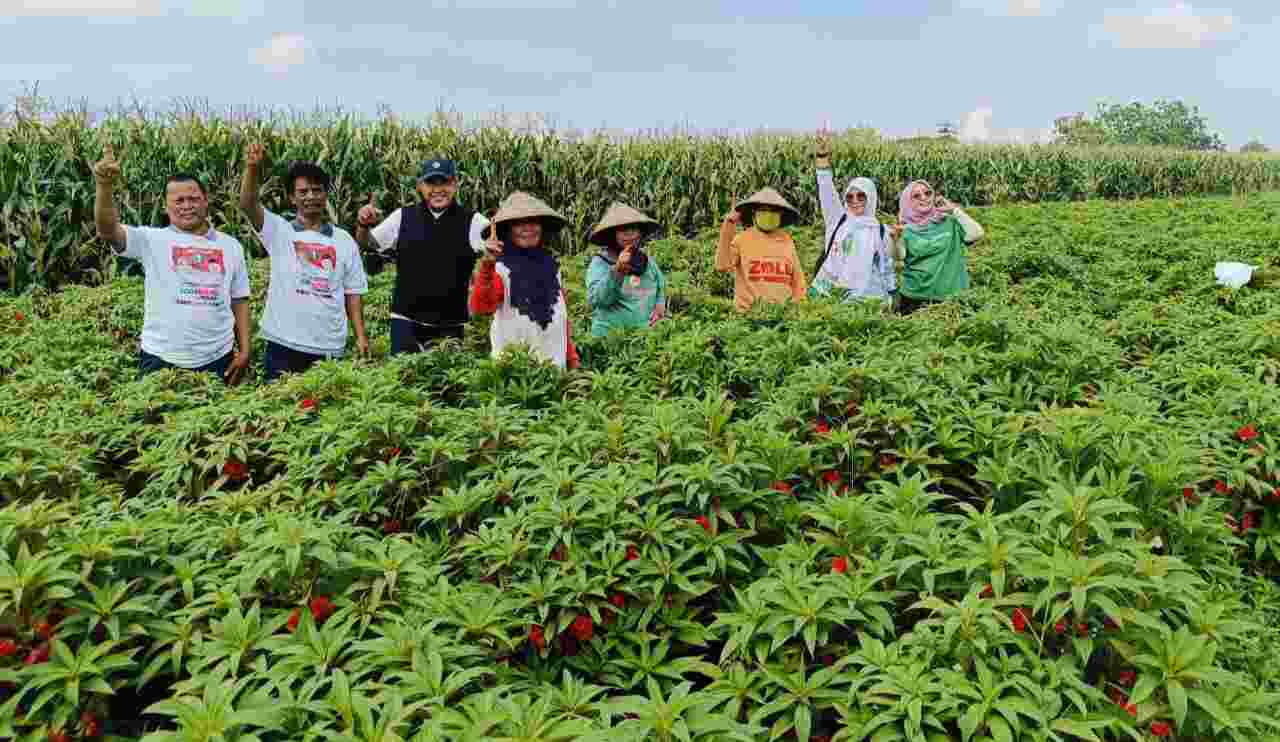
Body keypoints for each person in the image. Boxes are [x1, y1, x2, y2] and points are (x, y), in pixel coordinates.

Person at [93, 143, 252, 383]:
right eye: (178, 201)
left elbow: (239, 299)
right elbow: (108, 230)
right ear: (166, 206)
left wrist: (245, 350)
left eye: (193, 199)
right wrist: (104, 186)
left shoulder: (230, 246)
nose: (187, 206)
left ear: (206, 201)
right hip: (161, 358)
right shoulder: (151, 240)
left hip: (218, 358)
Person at [239, 143, 370, 381]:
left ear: (326, 194)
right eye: (303, 192)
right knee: (280, 413)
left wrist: (360, 336)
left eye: (317, 190)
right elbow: (248, 205)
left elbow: (353, 292)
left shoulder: (343, 240)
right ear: (291, 197)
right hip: (283, 345)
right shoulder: (279, 231)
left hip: (329, 347)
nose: (311, 197)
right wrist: (252, 168)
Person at [354, 159, 490, 354]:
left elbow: (496, 245)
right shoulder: (403, 216)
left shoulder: (473, 221)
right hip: (405, 320)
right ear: (420, 186)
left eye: (444, 182)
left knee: (446, 384)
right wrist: (363, 224)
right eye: (431, 183)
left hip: (451, 324)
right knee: (404, 380)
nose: (438, 189)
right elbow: (367, 243)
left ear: (455, 185)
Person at [469, 192, 579, 369]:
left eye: (533, 222)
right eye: (519, 223)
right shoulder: (499, 268)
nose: (528, 228)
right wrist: (488, 264)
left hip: (554, 366)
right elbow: (481, 308)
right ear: (507, 230)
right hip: (515, 370)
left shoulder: (552, 267)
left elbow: (561, 316)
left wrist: (572, 358)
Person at [810, 131, 901, 301]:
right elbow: (826, 189)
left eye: (861, 196)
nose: (855, 201)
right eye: (850, 196)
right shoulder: (838, 220)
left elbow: (888, 265)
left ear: (871, 198)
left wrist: (892, 295)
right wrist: (822, 157)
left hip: (872, 301)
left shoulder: (881, 230)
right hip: (837, 299)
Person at [893, 180, 985, 314]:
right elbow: (899, 257)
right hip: (915, 298)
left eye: (927, 193)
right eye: (916, 196)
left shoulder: (949, 221)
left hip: (952, 297)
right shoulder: (904, 230)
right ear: (907, 202)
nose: (923, 198)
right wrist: (897, 240)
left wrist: (954, 210)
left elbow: (977, 234)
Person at [716, 188, 807, 312]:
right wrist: (729, 224)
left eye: (774, 210)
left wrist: (799, 309)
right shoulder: (742, 239)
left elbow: (798, 282)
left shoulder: (787, 241)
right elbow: (722, 265)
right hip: (748, 317)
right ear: (754, 213)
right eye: (763, 210)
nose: (769, 215)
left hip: (783, 316)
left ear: (781, 214)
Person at [585, 202, 668, 337]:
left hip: (646, 339)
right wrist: (617, 271)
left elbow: (661, 284)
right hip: (611, 341)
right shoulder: (600, 263)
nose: (629, 234)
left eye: (634, 229)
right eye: (623, 230)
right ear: (612, 234)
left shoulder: (646, 260)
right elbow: (598, 300)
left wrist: (660, 304)